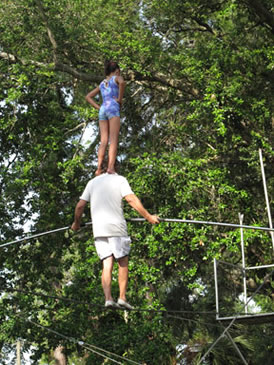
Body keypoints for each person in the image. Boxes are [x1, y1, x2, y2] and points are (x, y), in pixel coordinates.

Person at [71, 162, 159, 309]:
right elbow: (131, 199)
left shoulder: (92, 183)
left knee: (107, 263)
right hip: (116, 228)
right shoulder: (120, 180)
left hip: (99, 231)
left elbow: (80, 206)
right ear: (115, 168)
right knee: (122, 262)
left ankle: (108, 299)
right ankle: (122, 297)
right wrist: (148, 217)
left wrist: (76, 223)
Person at [85, 61, 126, 176]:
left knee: (103, 141)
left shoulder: (102, 83)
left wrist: (99, 107)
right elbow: (122, 83)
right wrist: (119, 99)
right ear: (116, 70)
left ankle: (98, 168)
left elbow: (88, 97)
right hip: (113, 107)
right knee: (113, 140)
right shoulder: (117, 78)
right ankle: (110, 167)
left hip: (103, 109)